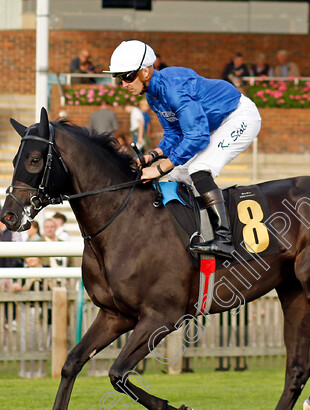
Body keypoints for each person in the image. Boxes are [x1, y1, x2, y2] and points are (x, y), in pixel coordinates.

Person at [104, 40, 262, 257]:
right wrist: (152, 156)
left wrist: (160, 169)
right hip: (211, 125)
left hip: (238, 117)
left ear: (146, 72)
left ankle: (224, 239)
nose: (124, 83)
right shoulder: (152, 94)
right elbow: (174, 134)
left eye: (128, 76)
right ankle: (197, 230)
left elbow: (196, 137)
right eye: (120, 78)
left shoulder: (174, 90)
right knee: (179, 173)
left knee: (200, 169)